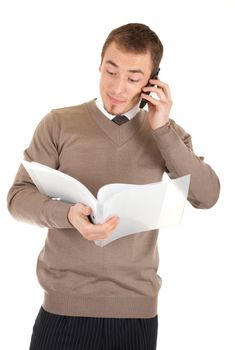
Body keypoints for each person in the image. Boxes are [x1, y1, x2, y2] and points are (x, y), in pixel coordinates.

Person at [7, 23, 220, 350]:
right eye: (111, 71)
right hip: (62, 309)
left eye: (134, 78)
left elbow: (206, 197)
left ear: (152, 81)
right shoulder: (59, 123)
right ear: (100, 64)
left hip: (135, 315)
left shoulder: (166, 133)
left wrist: (161, 130)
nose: (118, 87)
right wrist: (68, 215)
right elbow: (18, 197)